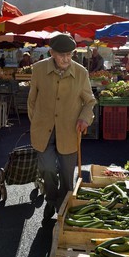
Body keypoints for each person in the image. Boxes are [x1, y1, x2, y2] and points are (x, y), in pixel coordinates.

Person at [27, 34, 96, 224]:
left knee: (67, 174)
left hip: (69, 130)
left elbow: (89, 101)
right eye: (61, 55)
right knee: (47, 169)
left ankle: (64, 206)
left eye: (70, 54)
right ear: (51, 53)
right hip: (44, 130)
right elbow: (32, 100)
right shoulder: (39, 69)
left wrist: (84, 118)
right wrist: (36, 123)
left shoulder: (81, 72)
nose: (66, 59)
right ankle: (50, 200)